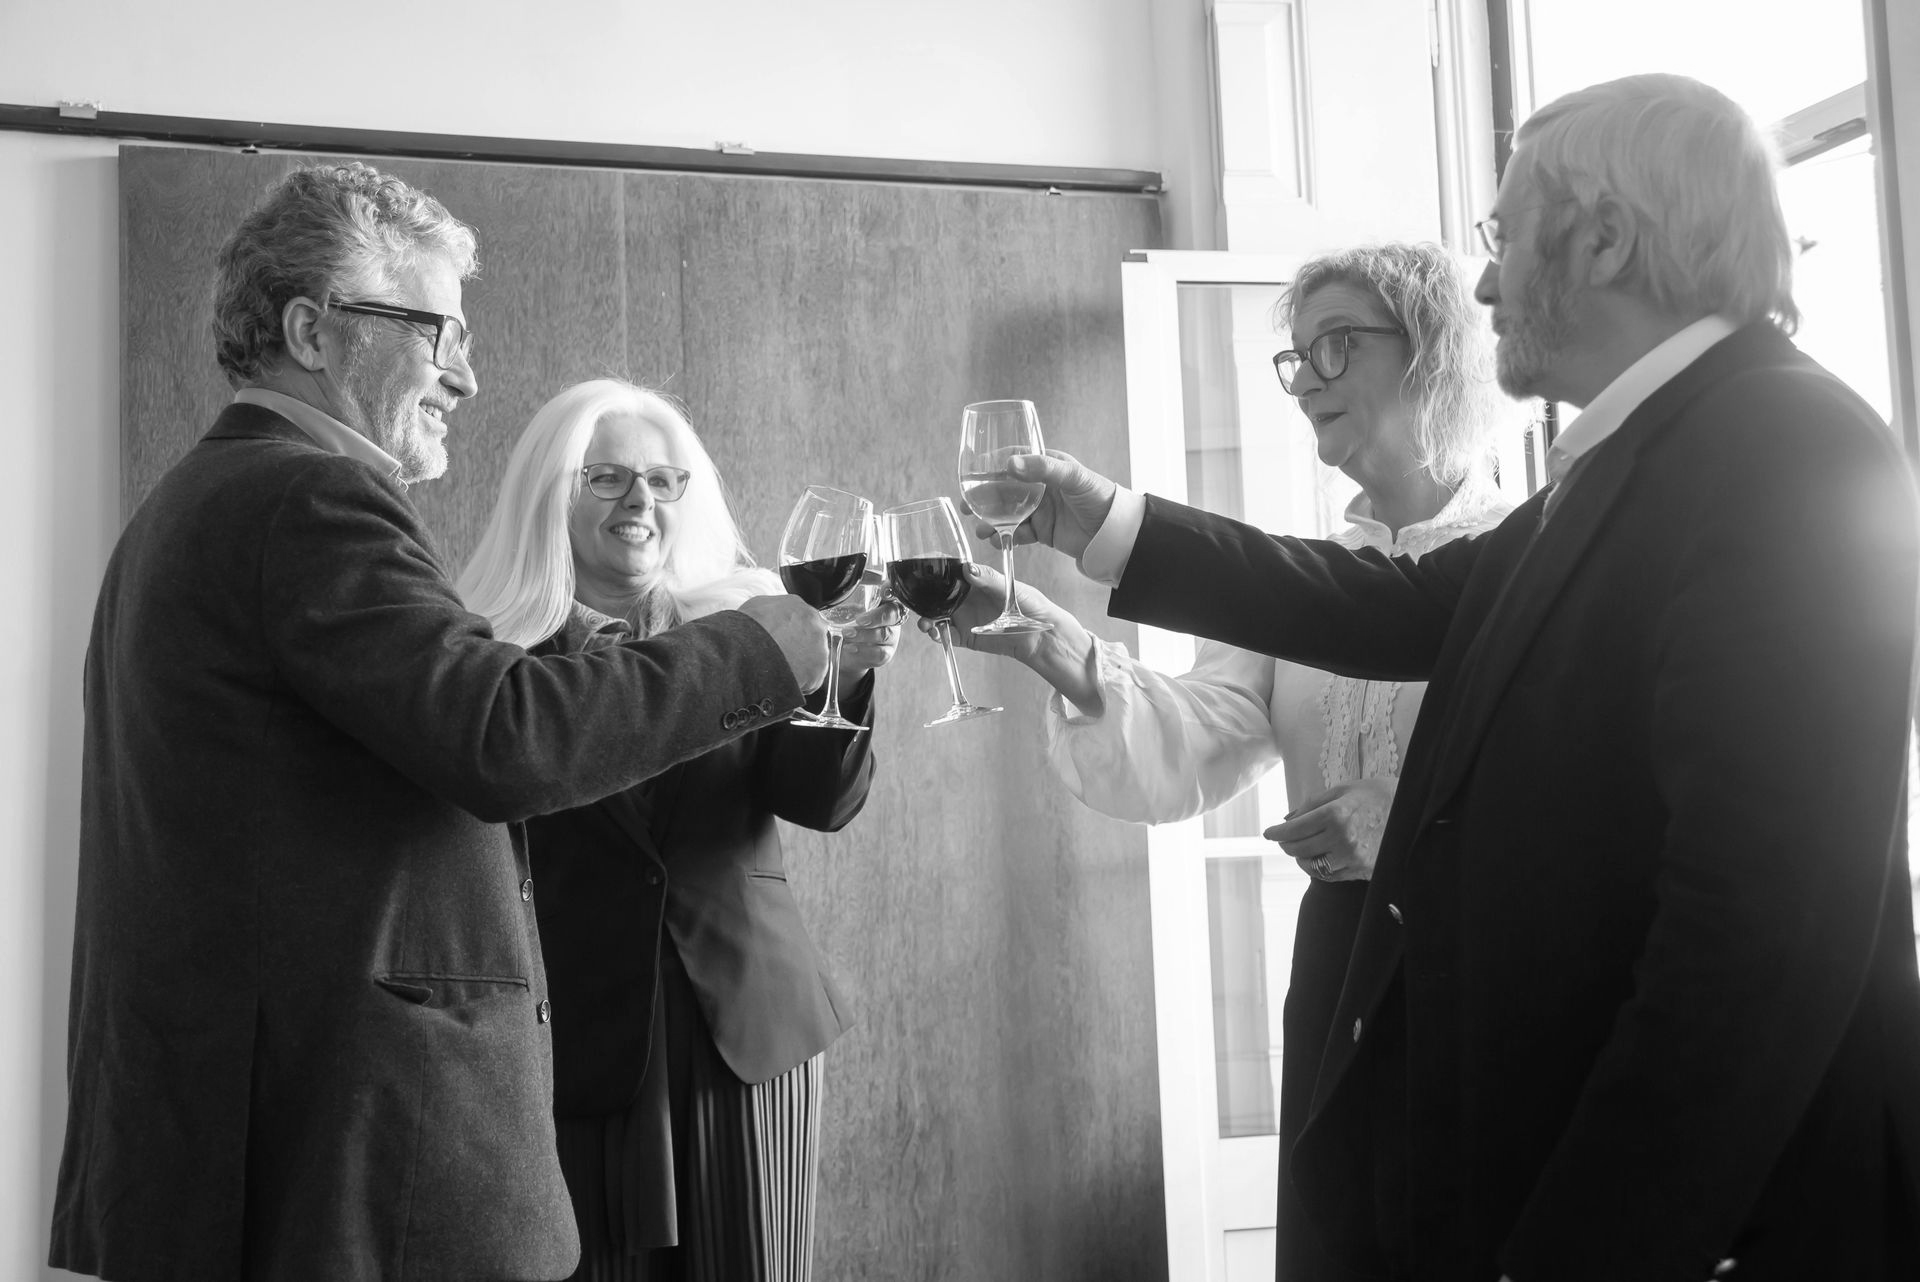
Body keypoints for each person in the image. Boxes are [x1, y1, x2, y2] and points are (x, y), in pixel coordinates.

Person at [995, 74, 1920, 1280]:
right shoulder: (1627, 461)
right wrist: (1103, 521)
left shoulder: (1788, 446)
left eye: (1502, 235)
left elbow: (1756, 943)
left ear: (1603, 237)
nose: (1485, 284)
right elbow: (1387, 604)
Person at [50, 163, 830, 1282]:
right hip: (346, 1168)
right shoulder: (308, 498)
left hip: (250, 1155)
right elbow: (507, 734)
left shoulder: (188, 508)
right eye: (437, 332)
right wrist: (772, 641)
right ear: (314, 331)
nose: (465, 375)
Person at [941, 244, 1510, 1280]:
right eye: (1298, 360)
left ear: (1437, 350)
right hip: (1340, 969)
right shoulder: (1308, 580)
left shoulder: (1532, 551)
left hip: (1496, 975)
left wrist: (1414, 820)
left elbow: (1594, 777)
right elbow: (1196, 738)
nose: (1311, 382)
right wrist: (1054, 643)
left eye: (1339, 343)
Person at [459, 379, 896, 1282]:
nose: (641, 502)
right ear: (553, 492)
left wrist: (842, 680)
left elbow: (822, 802)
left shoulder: (748, 625)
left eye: (664, 479)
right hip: (578, 1039)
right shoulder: (490, 660)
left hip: (749, 1028)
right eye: (609, 476)